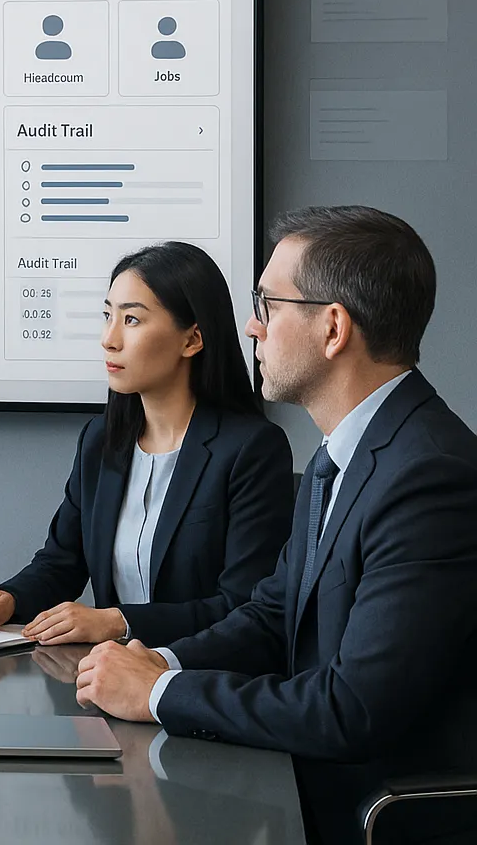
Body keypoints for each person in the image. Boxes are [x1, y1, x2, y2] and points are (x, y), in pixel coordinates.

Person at [76, 206, 477, 844]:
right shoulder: (343, 454)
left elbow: (352, 709)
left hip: (374, 814)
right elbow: (271, 614)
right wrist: (157, 660)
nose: (251, 326)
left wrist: (161, 694)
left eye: (268, 304)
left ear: (334, 327)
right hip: (294, 783)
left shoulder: (427, 476)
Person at [0, 241, 293, 647]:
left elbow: (244, 606)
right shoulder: (101, 441)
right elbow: (62, 562)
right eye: (107, 316)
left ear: (193, 340)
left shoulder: (252, 449)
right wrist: (9, 598)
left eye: (132, 320)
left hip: (202, 682)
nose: (109, 339)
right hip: (109, 683)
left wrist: (119, 621)